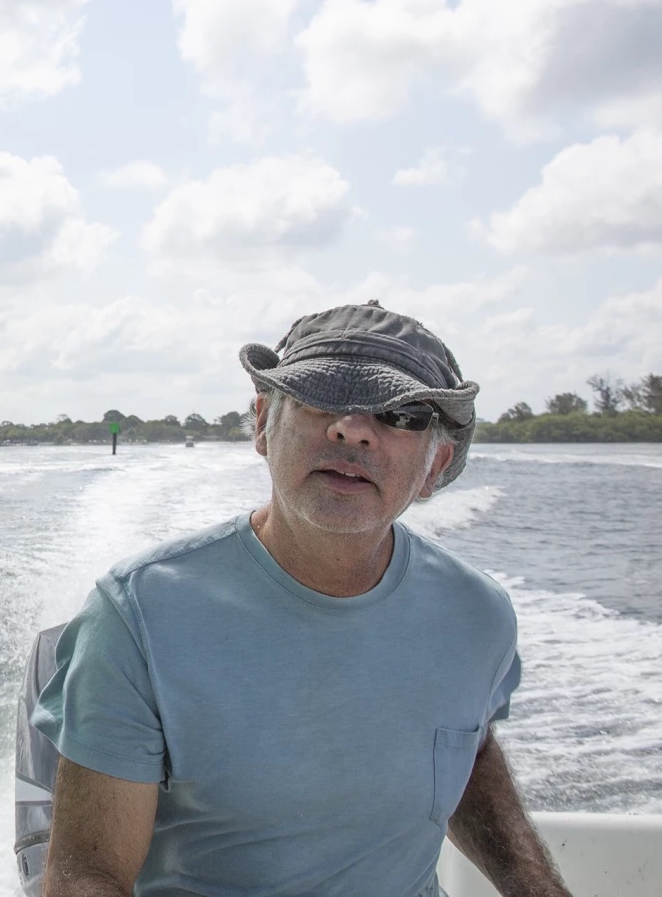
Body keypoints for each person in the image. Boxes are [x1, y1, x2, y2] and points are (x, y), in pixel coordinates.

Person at [30, 302, 571, 896]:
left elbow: (466, 746)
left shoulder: (477, 616)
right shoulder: (139, 615)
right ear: (263, 423)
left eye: (400, 416)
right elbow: (88, 876)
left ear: (435, 466)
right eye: (320, 398)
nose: (352, 428)